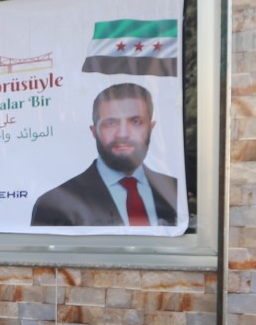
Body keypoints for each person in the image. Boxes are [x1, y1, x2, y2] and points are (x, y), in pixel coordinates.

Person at [30, 82, 178, 227]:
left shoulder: (176, 192)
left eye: (136, 121)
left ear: (151, 128)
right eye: (111, 123)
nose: (123, 134)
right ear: (94, 131)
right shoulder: (55, 204)